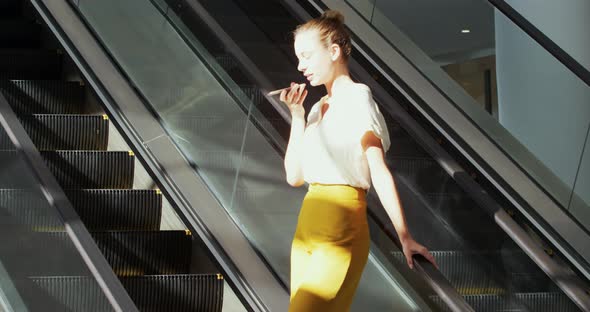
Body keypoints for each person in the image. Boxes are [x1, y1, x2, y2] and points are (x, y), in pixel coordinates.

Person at [280, 10, 437, 312]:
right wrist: (297, 116)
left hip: (341, 224)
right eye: (299, 58)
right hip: (306, 228)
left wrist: (404, 236)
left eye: (307, 56)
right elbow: (294, 176)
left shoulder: (357, 97)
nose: (301, 66)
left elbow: (378, 169)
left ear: (334, 51)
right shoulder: (315, 109)